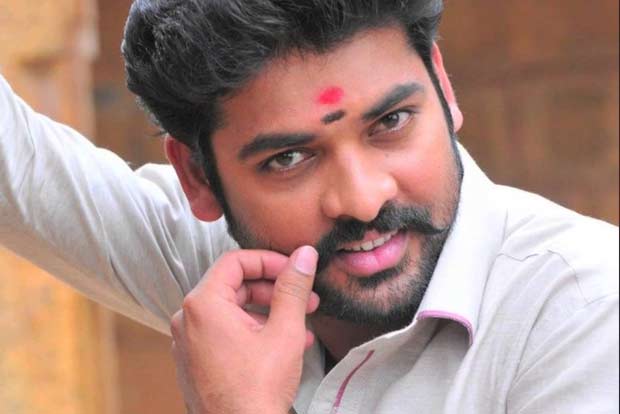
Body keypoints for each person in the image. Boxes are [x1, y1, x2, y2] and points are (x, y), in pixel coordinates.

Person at [0, 1, 617, 413]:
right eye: (289, 159)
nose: (363, 199)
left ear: (442, 84)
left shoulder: (585, 311)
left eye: (391, 122)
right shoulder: (225, 275)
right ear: (198, 176)